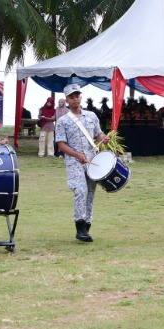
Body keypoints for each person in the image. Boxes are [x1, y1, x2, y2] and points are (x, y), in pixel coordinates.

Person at [54, 86, 107, 242]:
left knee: (90, 193)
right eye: (72, 97)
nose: (75, 99)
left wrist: (104, 138)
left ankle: (87, 226)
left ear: (80, 97)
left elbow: (98, 134)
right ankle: (80, 226)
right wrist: (77, 155)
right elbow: (61, 145)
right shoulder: (63, 121)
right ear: (67, 100)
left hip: (92, 161)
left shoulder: (91, 116)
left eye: (77, 95)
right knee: (81, 191)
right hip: (74, 162)